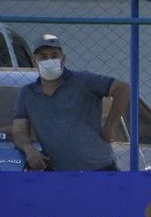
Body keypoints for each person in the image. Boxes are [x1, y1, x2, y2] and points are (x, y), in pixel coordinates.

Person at [13, 33, 130, 171]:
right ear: (35, 61)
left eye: (54, 55)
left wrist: (110, 126)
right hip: (58, 173)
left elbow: (123, 89)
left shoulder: (84, 81)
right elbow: (19, 131)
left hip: (99, 168)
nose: (49, 60)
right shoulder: (27, 94)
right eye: (43, 57)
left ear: (63, 59)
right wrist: (29, 149)